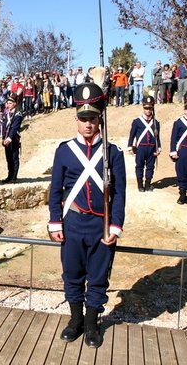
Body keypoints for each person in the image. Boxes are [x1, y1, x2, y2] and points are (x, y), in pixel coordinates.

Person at [48, 82, 126, 348]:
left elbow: (120, 194)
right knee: (72, 275)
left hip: (100, 225)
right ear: (76, 120)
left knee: (98, 277)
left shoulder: (113, 153)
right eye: (83, 118)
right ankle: (75, 321)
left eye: (92, 118)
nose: (88, 124)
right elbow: (55, 190)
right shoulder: (64, 150)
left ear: (100, 118)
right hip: (73, 223)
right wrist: (55, 221)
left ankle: (92, 324)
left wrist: (115, 226)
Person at [127, 94, 161, 192]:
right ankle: (140, 185)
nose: (148, 110)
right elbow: (132, 135)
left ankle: (147, 184)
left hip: (151, 147)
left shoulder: (156, 123)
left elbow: (157, 137)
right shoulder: (137, 121)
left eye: (150, 108)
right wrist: (130, 146)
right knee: (139, 166)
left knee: (150, 167)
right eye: (146, 108)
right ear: (143, 107)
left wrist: (159, 147)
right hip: (141, 147)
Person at [1, 93, 23, 183]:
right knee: (8, 158)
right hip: (6, 139)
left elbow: (15, 127)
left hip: (13, 139)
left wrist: (9, 138)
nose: (8, 105)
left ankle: (14, 176)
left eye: (10, 103)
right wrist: (3, 138)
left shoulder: (18, 114)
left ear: (14, 104)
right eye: (7, 103)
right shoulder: (7, 114)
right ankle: (9, 175)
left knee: (14, 158)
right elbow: (4, 126)